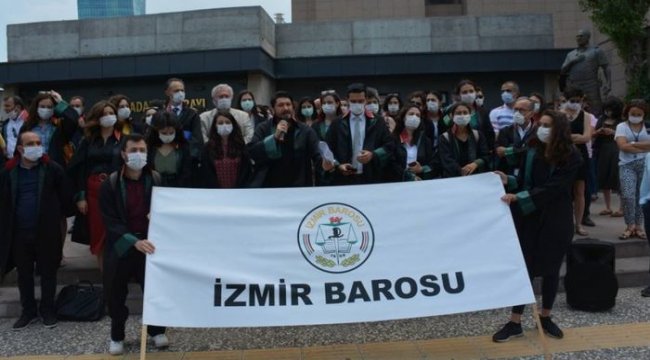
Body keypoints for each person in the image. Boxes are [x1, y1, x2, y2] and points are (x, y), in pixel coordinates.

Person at [493, 110, 583, 342]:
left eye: (547, 125)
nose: (541, 128)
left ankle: (545, 316)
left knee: (551, 268)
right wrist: (507, 181)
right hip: (530, 216)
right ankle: (515, 322)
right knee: (525, 269)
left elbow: (554, 187)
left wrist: (520, 197)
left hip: (556, 217)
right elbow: (523, 180)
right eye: (540, 124)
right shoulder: (532, 149)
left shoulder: (572, 155)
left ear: (559, 130)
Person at [99, 134, 168, 355]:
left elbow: (165, 209)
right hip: (121, 246)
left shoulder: (156, 178)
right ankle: (117, 335)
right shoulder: (110, 183)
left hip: (150, 244)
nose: (138, 154)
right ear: (123, 154)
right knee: (115, 293)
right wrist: (133, 241)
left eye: (142, 150)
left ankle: (157, 331)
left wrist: (157, 217)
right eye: (133, 150)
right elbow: (110, 221)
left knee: (154, 290)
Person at [0, 131, 73, 330]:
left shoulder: (52, 169)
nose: (36, 146)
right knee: (24, 274)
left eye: (39, 142)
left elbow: (65, 196)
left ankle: (48, 310)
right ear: (21, 148)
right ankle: (28, 311)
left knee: (49, 272)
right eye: (31, 143)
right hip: (19, 233)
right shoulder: (8, 171)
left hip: (46, 231)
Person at [68, 101, 123, 271]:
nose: (108, 116)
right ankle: (105, 277)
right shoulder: (88, 140)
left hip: (117, 190)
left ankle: (119, 276)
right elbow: (78, 169)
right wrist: (81, 197)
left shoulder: (124, 139)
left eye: (111, 112)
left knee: (117, 233)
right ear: (97, 118)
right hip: (93, 190)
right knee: (99, 234)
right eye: (104, 114)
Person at [248, 91, 322, 187]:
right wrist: (274, 138)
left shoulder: (305, 130)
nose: (286, 108)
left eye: (288, 104)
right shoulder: (263, 128)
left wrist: (329, 164)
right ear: (273, 108)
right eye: (281, 105)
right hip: (269, 185)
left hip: (299, 185)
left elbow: (317, 154)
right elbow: (253, 152)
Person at [325, 83, 395, 185]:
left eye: (360, 101)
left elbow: (389, 146)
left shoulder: (377, 121)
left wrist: (373, 155)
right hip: (344, 179)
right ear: (347, 100)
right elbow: (328, 149)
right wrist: (338, 165)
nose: (357, 104)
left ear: (366, 99)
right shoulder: (338, 123)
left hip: (371, 178)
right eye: (353, 101)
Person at [615, 99, 650, 240]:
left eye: (639, 114)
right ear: (627, 113)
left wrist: (633, 143)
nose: (635, 116)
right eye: (633, 113)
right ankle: (630, 225)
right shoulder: (622, 126)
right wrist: (644, 145)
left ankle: (639, 226)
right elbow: (622, 146)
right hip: (626, 164)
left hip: (645, 164)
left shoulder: (648, 126)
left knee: (641, 196)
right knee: (628, 195)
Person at [561, 87, 593, 236]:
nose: (575, 103)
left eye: (578, 101)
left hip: (581, 155)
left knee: (580, 191)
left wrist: (570, 137)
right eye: (572, 101)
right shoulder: (559, 115)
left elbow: (586, 137)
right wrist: (575, 137)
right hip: (563, 155)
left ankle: (578, 223)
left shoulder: (586, 115)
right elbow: (559, 136)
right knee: (564, 191)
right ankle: (565, 222)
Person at [21, 91, 80, 167]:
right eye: (42, 106)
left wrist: (61, 102)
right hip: (32, 167)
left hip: (54, 168)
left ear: (54, 109)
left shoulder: (60, 127)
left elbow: (73, 119)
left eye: (49, 107)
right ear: (36, 108)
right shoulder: (27, 126)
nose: (45, 109)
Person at [561, 29, 611, 116]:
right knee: (573, 107)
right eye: (577, 36)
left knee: (595, 108)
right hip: (574, 85)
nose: (578, 38)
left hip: (591, 84)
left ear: (587, 37)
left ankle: (596, 125)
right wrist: (573, 61)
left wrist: (608, 83)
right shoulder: (571, 54)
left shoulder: (596, 51)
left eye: (581, 36)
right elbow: (563, 70)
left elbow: (606, 67)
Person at [200, 111, 252, 188]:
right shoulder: (208, 148)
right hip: (215, 193)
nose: (224, 125)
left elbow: (246, 171)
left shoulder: (240, 146)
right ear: (215, 126)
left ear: (233, 125)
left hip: (239, 192)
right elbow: (206, 173)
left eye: (227, 122)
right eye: (220, 123)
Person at [439, 102, 490, 178]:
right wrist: (461, 171)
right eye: (458, 113)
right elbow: (446, 160)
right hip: (453, 179)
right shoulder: (445, 137)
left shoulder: (478, 135)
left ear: (470, 115)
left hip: (476, 178)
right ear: (452, 116)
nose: (462, 115)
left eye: (465, 112)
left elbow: (486, 156)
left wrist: (475, 164)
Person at [389, 104, 436, 181]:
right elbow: (391, 163)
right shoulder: (393, 138)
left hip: (420, 182)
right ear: (404, 117)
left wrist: (422, 169)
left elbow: (432, 164)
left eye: (418, 115)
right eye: (411, 114)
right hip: (397, 183)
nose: (415, 117)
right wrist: (409, 177)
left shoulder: (425, 141)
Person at [594, 97, 624, 217]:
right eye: (606, 109)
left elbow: (625, 135)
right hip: (603, 149)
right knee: (604, 176)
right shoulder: (601, 119)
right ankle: (608, 207)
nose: (608, 111)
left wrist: (613, 132)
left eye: (610, 109)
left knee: (618, 177)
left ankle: (622, 208)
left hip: (616, 149)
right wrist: (599, 131)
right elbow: (594, 132)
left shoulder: (621, 121)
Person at [145, 111, 191, 187]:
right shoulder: (149, 146)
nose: (168, 136)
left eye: (171, 133)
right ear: (156, 131)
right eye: (164, 133)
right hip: (154, 187)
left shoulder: (183, 146)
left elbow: (186, 172)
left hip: (178, 187)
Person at [495, 97, 536, 175]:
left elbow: (532, 153)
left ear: (531, 113)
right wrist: (523, 150)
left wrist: (509, 151)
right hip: (509, 174)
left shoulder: (537, 131)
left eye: (521, 110)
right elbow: (500, 153)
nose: (517, 113)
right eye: (515, 109)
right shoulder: (505, 131)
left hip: (532, 173)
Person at [2, 95, 27, 159]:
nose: (5, 109)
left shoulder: (28, 122)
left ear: (18, 107)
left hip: (24, 160)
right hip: (8, 160)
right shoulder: (6, 123)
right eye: (4, 106)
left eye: (7, 106)